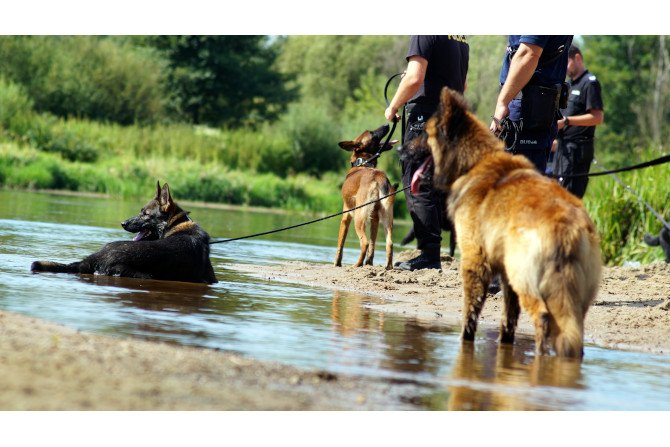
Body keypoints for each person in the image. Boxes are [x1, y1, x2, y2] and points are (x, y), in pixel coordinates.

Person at [385, 35, 469, 271]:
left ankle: (429, 255)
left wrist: (392, 107)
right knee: (434, 183)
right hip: (451, 115)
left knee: (417, 181)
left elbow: (414, 77)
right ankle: (433, 252)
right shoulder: (461, 36)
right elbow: (463, 85)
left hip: (426, 115)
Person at [490, 35, 573, 172]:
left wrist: (502, 102)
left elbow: (528, 53)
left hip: (525, 114)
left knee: (518, 184)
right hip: (533, 111)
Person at [553, 44, 604, 198]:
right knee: (557, 195)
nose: (565, 68)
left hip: (578, 150)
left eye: (566, 62)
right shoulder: (568, 84)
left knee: (569, 198)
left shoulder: (590, 83)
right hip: (563, 148)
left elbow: (597, 117)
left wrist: (567, 121)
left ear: (577, 58)